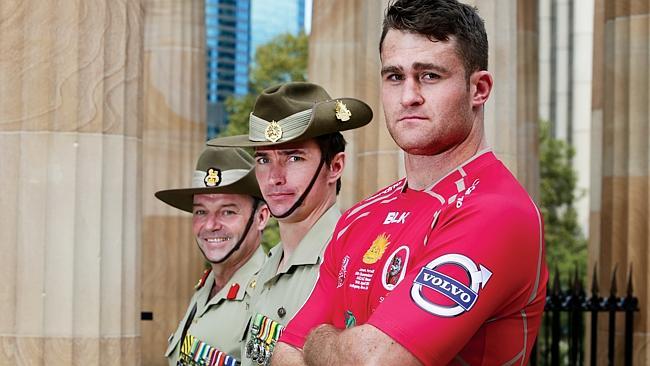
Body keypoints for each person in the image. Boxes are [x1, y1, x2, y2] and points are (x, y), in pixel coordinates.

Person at [273, 1, 549, 365]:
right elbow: (283, 354)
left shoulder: (497, 210)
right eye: (394, 76)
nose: (408, 96)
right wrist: (341, 348)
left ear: (479, 89)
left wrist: (319, 340)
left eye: (430, 76)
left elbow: (375, 362)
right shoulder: (359, 217)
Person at [207, 82, 373, 366]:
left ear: (335, 166)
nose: (274, 177)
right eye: (263, 159)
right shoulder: (270, 263)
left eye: (294, 158)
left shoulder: (353, 261)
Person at [157, 147, 270, 366]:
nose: (210, 225)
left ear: (261, 217)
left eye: (228, 211)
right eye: (201, 211)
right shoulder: (206, 288)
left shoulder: (267, 297)